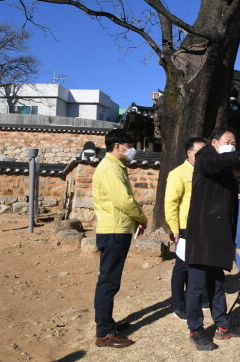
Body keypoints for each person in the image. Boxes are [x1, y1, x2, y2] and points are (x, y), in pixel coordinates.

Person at [185, 126, 240, 351]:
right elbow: (212, 164)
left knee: (217, 283)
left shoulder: (226, 170)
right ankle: (196, 330)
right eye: (228, 141)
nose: (232, 146)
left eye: (234, 143)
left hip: (220, 235)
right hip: (202, 233)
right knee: (196, 286)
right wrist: (237, 155)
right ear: (214, 142)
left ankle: (223, 326)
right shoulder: (205, 156)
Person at [92, 129, 148, 348]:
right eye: (129, 145)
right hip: (113, 231)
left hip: (118, 229)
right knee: (108, 281)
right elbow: (123, 200)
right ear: (117, 146)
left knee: (110, 280)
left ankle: (108, 323)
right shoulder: (109, 168)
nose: (132, 149)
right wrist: (142, 217)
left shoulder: (115, 167)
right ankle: (104, 332)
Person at [164, 137, 208, 320]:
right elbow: (170, 203)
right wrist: (174, 229)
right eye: (200, 152)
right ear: (189, 152)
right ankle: (178, 305)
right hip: (185, 226)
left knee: (198, 263)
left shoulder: (205, 171)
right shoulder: (178, 173)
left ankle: (195, 299)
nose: (204, 156)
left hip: (203, 225)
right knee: (182, 266)